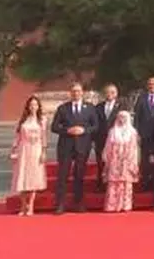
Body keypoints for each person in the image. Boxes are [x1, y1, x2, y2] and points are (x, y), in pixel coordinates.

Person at [51, 83, 97, 214]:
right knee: (63, 176)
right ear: (70, 93)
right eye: (73, 91)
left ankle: (78, 203)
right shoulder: (63, 108)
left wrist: (84, 130)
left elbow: (95, 126)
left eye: (78, 91)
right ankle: (60, 204)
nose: (76, 93)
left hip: (82, 146)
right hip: (66, 146)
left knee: (79, 175)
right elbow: (54, 127)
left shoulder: (90, 108)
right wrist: (67, 130)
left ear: (82, 93)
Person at [11, 96, 48, 216]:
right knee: (22, 177)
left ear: (38, 107)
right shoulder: (22, 120)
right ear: (28, 106)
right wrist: (13, 150)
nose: (33, 107)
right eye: (31, 105)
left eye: (35, 105)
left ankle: (31, 205)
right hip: (23, 149)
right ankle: (23, 205)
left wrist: (44, 152)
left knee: (33, 178)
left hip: (36, 149)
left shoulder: (42, 120)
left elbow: (44, 137)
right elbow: (17, 137)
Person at [101, 111, 139, 213]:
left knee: (126, 184)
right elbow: (108, 147)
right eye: (120, 117)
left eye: (124, 117)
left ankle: (125, 205)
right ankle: (112, 205)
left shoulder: (132, 132)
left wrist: (133, 161)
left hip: (127, 160)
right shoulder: (112, 131)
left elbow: (134, 148)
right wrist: (107, 159)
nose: (122, 120)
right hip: (114, 160)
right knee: (114, 183)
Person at [92, 84, 127, 191]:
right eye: (107, 92)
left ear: (116, 93)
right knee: (101, 162)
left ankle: (114, 185)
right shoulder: (98, 107)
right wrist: (94, 139)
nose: (110, 94)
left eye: (112, 92)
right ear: (104, 94)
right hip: (101, 139)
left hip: (117, 140)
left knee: (115, 163)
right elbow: (95, 123)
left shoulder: (122, 106)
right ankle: (101, 184)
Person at [132, 77, 154, 191]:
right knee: (145, 159)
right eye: (150, 84)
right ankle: (145, 182)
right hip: (145, 134)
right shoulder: (141, 98)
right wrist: (136, 132)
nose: (152, 86)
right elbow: (137, 117)